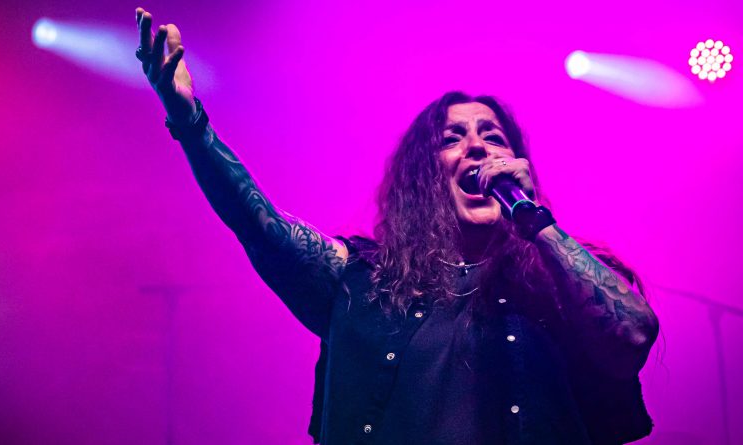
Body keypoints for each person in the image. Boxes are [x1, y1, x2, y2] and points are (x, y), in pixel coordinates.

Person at [134, 8, 660, 445]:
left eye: (494, 137)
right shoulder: (365, 282)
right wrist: (191, 124)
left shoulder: (559, 282)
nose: (478, 147)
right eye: (452, 138)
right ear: (423, 175)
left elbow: (633, 333)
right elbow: (259, 224)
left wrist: (535, 220)